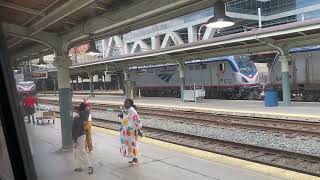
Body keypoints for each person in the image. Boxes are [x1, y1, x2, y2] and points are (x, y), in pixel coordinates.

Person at [72, 104, 94, 175]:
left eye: (75, 111)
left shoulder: (81, 116)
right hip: (77, 137)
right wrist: (74, 140)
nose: (74, 113)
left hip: (80, 136)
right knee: (76, 152)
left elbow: (87, 111)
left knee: (82, 151)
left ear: (79, 111)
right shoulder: (75, 118)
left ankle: (90, 166)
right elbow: (73, 130)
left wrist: (75, 141)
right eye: (73, 111)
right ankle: (80, 166)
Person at [119, 99, 142, 165]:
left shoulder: (132, 110)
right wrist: (121, 115)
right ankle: (134, 159)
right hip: (129, 131)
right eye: (124, 102)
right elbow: (126, 117)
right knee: (131, 145)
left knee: (134, 144)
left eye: (126, 102)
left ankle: (136, 159)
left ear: (130, 103)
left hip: (132, 131)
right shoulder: (128, 110)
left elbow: (137, 119)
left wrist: (139, 129)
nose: (125, 104)